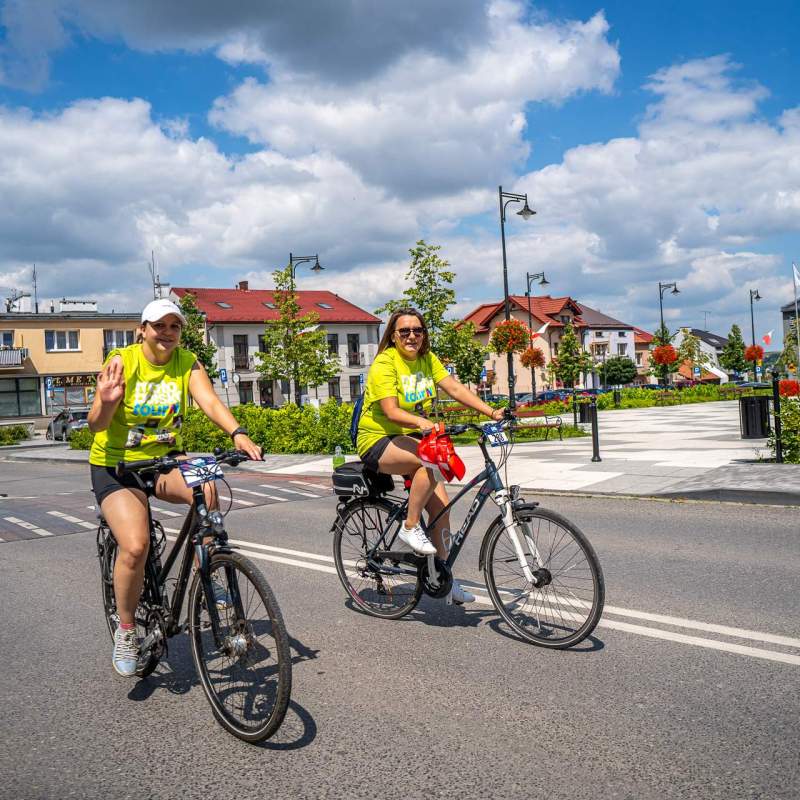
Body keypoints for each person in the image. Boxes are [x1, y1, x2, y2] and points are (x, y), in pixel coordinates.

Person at [88, 298, 263, 677]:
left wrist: (237, 433)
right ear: (143, 330)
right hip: (118, 467)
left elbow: (209, 401)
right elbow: (96, 425)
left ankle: (211, 569)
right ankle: (128, 627)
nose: (167, 333)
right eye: (159, 326)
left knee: (210, 486)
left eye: (174, 326)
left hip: (166, 460)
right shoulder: (123, 361)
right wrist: (105, 403)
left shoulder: (187, 361)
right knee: (135, 546)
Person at [357, 307, 505, 605]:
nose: (412, 336)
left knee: (442, 510)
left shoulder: (427, 359)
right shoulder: (385, 363)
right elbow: (390, 410)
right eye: (404, 331)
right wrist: (422, 423)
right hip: (377, 439)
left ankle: (443, 581)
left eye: (418, 331)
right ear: (393, 336)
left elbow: (453, 387)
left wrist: (492, 412)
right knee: (428, 461)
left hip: (410, 438)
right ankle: (410, 527)